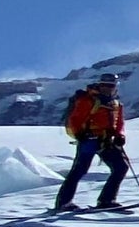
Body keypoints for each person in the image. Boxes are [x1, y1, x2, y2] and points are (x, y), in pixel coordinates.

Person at [54, 73, 129, 212]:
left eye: (111, 85)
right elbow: (75, 119)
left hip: (105, 140)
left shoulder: (115, 103)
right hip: (89, 140)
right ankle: (64, 203)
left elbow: (119, 123)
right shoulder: (87, 100)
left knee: (121, 167)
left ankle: (107, 200)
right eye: (104, 85)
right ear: (99, 85)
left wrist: (120, 135)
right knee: (79, 170)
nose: (107, 88)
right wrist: (79, 134)